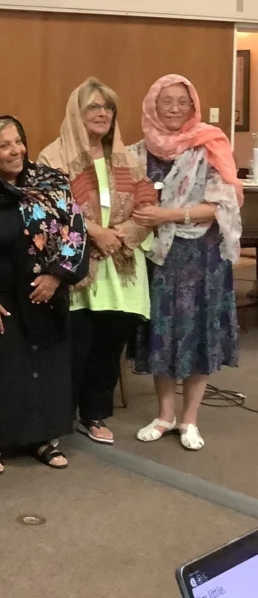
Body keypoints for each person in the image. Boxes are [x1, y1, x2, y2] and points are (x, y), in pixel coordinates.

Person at [0, 116, 89, 475]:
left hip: (47, 294)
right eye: (4, 145)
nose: (15, 150)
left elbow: (76, 232)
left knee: (45, 369)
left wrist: (56, 276)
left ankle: (44, 439)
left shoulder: (52, 182)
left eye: (18, 141)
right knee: (1, 371)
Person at [39, 78, 156, 446]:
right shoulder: (53, 157)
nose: (103, 113)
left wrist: (119, 234)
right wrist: (94, 233)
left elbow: (147, 204)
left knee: (109, 344)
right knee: (75, 344)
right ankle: (60, 417)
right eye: (94, 107)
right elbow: (51, 207)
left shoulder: (127, 158)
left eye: (108, 108)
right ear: (77, 112)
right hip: (77, 266)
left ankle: (94, 413)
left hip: (120, 266)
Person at [129, 75, 242, 451]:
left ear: (194, 106)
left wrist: (168, 215)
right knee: (162, 333)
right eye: (166, 102)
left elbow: (221, 205)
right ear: (152, 106)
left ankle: (190, 419)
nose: (175, 109)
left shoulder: (210, 144)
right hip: (159, 258)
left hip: (204, 258)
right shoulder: (137, 152)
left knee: (198, 334)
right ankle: (165, 415)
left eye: (183, 102)